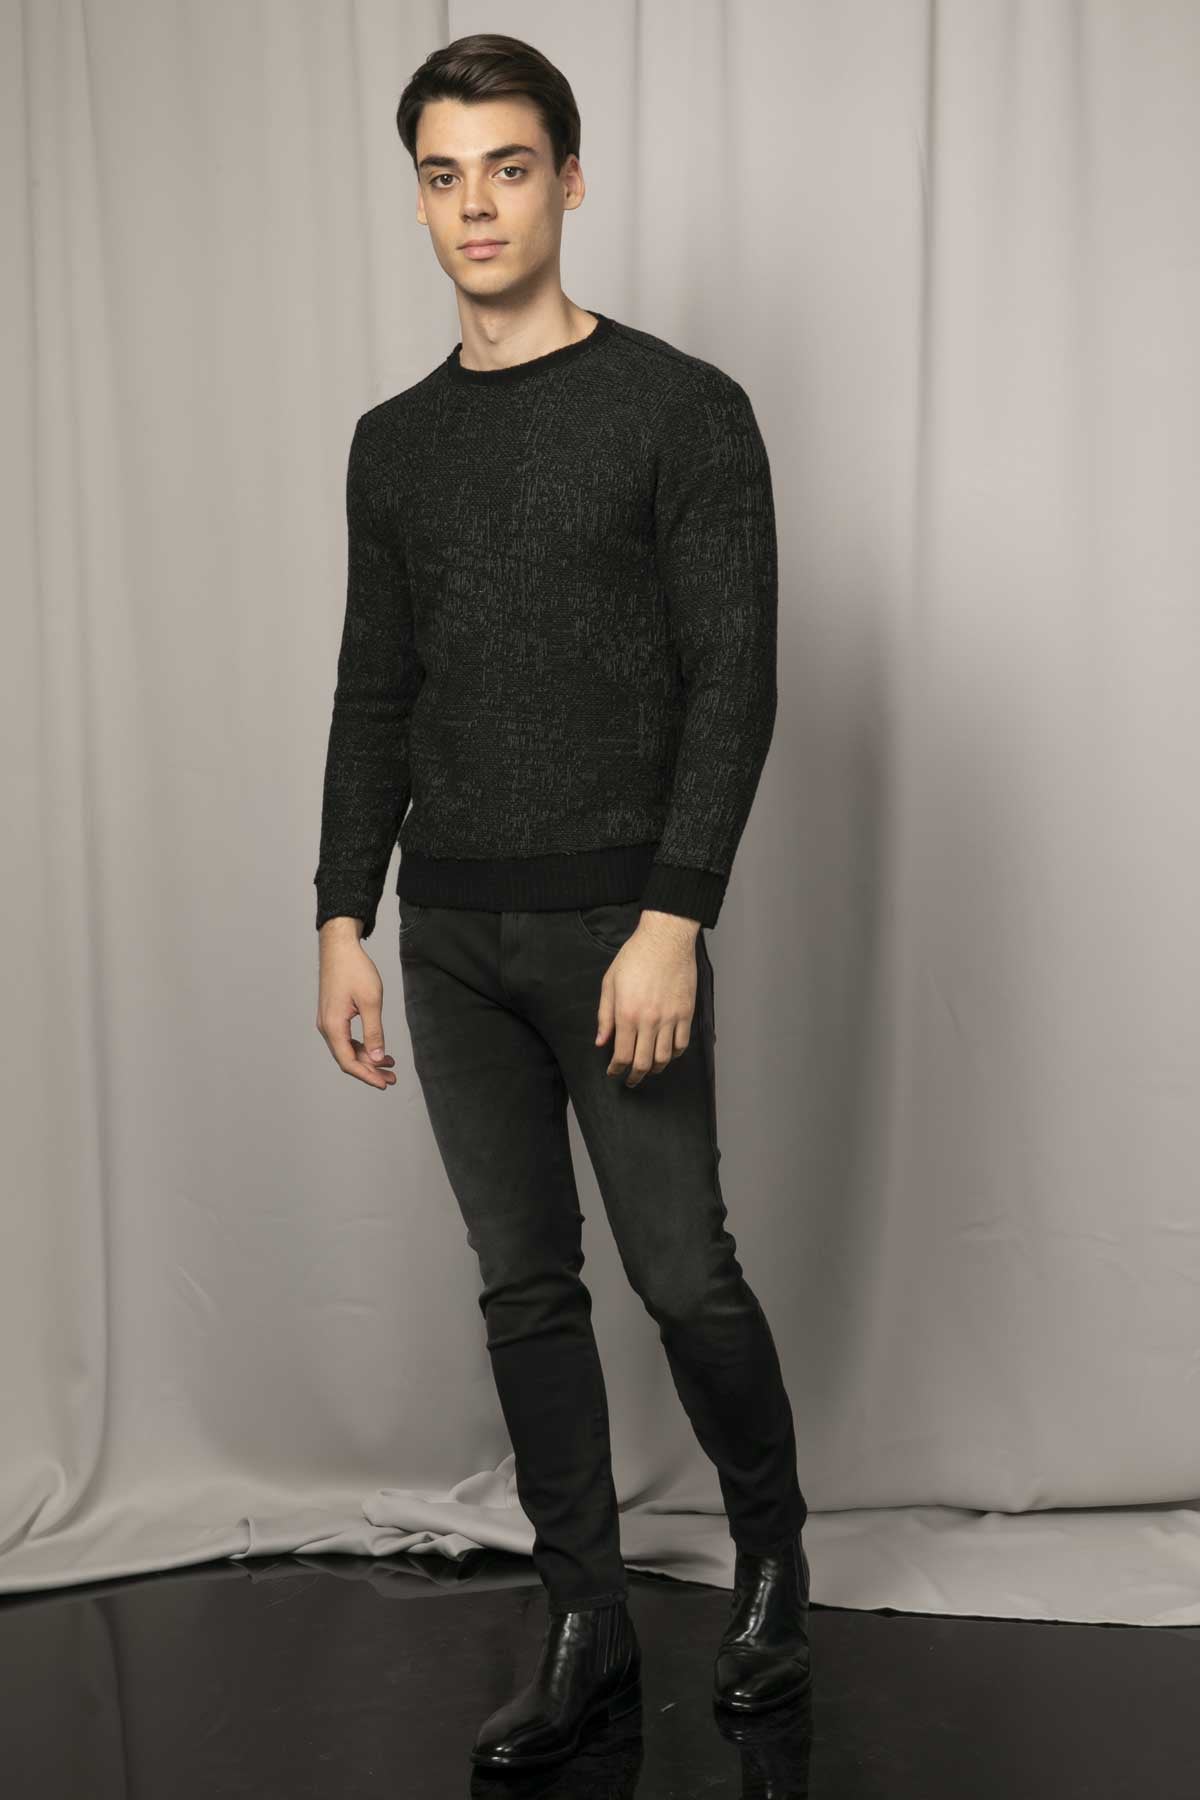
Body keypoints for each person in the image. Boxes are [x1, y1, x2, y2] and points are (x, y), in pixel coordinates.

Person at [313, 31, 811, 1773]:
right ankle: (585, 1620)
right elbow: (376, 690)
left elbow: (733, 679)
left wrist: (676, 917)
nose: (476, 206)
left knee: (682, 1275)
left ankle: (773, 1561)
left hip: (618, 928)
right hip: (449, 934)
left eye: (508, 168)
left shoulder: (684, 410)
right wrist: (340, 915)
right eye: (443, 176)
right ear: (419, 199)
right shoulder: (393, 446)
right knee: (523, 1289)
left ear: (570, 181)